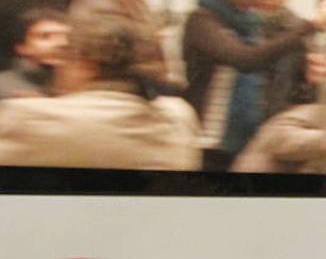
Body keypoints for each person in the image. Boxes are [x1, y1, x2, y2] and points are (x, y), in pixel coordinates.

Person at [183, 0, 326, 171]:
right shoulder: (202, 20)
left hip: (245, 139)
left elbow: (270, 70)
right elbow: (245, 59)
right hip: (204, 140)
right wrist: (310, 26)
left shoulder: (251, 23)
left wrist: (307, 72)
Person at [0, 15, 197, 170]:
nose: (59, 69)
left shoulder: (27, 117)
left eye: (66, 59)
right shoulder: (179, 117)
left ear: (86, 67)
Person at [0, 9, 70, 99]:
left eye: (68, 37)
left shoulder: (83, 85)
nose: (62, 43)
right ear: (22, 47)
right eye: (46, 36)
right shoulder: (3, 88)